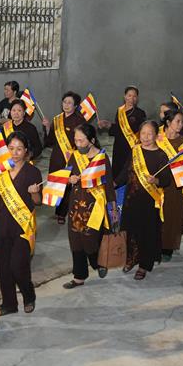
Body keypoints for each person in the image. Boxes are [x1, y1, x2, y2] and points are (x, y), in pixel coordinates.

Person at [0, 132, 42, 313]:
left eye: (19, 149)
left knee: (18, 266)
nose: (15, 153)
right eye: (11, 148)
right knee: (3, 268)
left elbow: (38, 202)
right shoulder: (0, 171)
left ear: (26, 151)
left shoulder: (32, 172)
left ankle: (29, 296)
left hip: (22, 226)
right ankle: (9, 304)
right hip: (3, 224)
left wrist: (34, 193)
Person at [116, 120, 172, 280]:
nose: (146, 137)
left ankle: (144, 265)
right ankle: (131, 258)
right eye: (143, 133)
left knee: (147, 233)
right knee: (130, 230)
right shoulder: (135, 151)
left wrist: (156, 180)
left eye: (149, 134)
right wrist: (114, 183)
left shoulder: (161, 155)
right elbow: (125, 172)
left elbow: (167, 180)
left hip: (149, 202)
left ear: (156, 135)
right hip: (131, 199)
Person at [61, 124, 113, 289]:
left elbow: (108, 185)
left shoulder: (101, 158)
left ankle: (98, 261)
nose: (78, 144)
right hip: (76, 205)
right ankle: (79, 276)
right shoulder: (74, 156)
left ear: (91, 140)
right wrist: (69, 180)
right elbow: (65, 176)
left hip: (95, 206)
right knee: (75, 240)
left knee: (91, 239)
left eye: (81, 141)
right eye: (75, 140)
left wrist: (112, 208)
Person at [44, 92, 84, 224]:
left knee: (67, 185)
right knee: (57, 183)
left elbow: (84, 141)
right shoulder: (57, 120)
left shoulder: (79, 121)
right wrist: (47, 127)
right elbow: (49, 141)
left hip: (71, 158)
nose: (66, 105)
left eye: (70, 103)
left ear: (75, 106)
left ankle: (62, 213)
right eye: (64, 102)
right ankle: (58, 209)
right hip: (57, 157)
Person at [155, 110, 183, 261]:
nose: (181, 125)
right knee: (157, 214)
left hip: (175, 185)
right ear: (168, 123)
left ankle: (168, 247)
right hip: (157, 184)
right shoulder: (157, 139)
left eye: (182, 122)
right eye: (178, 121)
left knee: (172, 215)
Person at [102, 85, 146, 182]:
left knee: (129, 170)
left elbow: (141, 131)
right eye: (129, 95)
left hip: (131, 146)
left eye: (134, 96)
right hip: (118, 145)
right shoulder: (119, 111)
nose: (132, 98)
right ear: (125, 96)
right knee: (117, 169)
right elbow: (118, 129)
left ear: (137, 98)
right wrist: (108, 125)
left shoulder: (140, 113)